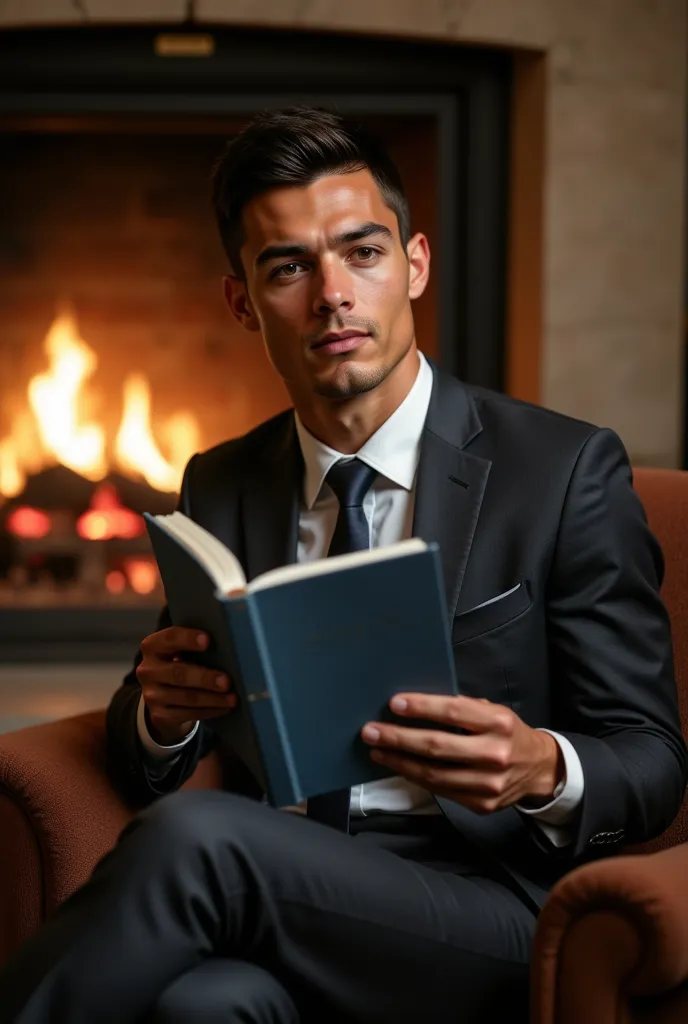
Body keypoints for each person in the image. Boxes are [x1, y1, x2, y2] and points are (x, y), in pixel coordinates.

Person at [1, 106, 686, 1024]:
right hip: (286, 889)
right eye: (289, 267)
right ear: (243, 302)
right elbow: (149, 744)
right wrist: (160, 715)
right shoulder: (224, 482)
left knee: (203, 839)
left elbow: (653, 760)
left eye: (361, 253)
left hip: (492, 903)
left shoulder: (562, 471)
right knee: (205, 1006)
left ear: (414, 265)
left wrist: (540, 767)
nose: (332, 294)